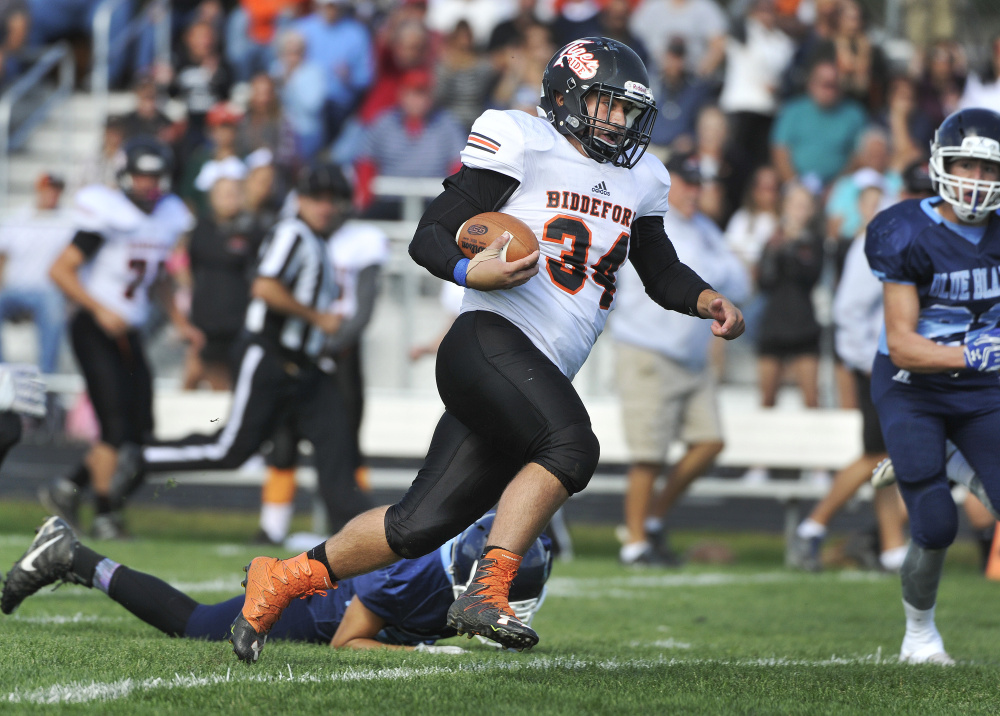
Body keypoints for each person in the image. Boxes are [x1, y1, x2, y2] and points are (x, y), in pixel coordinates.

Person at [226, 37, 744, 664]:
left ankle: (281, 578)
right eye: (606, 105)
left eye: (627, 111)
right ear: (567, 97)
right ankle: (487, 591)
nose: (618, 122)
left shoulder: (645, 178)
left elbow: (659, 269)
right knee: (572, 446)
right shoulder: (522, 139)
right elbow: (430, 235)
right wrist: (473, 274)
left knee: (415, 527)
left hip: (533, 369)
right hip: (488, 339)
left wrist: (707, 298)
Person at [111, 164, 370, 542]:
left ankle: (358, 539)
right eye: (318, 199)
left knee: (338, 448)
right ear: (300, 200)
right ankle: (144, 458)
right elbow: (265, 288)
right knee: (231, 450)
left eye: (334, 200)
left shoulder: (315, 238)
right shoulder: (292, 234)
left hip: (307, 367)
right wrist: (318, 318)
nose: (326, 207)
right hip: (270, 356)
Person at [0, 512, 551, 653]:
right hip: (308, 611)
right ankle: (75, 556)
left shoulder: (504, 550)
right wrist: (429, 653)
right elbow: (347, 641)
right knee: (194, 625)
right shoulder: (414, 576)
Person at [863, 107, 1000, 665]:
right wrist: (972, 352)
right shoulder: (904, 230)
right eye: (966, 166)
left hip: (982, 391)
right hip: (912, 386)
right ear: (940, 165)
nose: (976, 180)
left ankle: (956, 459)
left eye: (989, 170)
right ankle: (919, 636)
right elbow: (903, 344)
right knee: (937, 524)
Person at [39, 137, 198, 539]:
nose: (147, 184)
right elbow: (60, 271)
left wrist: (179, 320)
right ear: (126, 175)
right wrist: (98, 309)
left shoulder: (169, 216)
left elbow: (158, 276)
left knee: (141, 428)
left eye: (154, 176)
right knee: (114, 425)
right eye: (140, 175)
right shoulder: (108, 213)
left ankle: (68, 488)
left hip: (129, 329)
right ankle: (106, 512)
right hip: (94, 327)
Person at [611, 151, 749, 567]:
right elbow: (696, 274)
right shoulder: (650, 222)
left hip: (691, 356)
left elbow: (740, 279)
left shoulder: (704, 228)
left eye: (698, 183)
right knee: (648, 455)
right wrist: (717, 276)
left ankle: (652, 519)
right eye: (687, 182)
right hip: (646, 348)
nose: (694, 191)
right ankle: (634, 543)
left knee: (710, 442)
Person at [788, 175, 909, 573]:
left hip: (903, 364)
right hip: (881, 363)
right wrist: (869, 362)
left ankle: (892, 548)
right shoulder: (880, 238)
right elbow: (849, 310)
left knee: (888, 457)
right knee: (880, 453)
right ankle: (812, 526)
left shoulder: (912, 235)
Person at [0, 173, 74, 374]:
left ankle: (47, 379)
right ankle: (3, 374)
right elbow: (2, 257)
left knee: (53, 307)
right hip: (14, 290)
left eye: (56, 189)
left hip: (49, 291)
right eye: (48, 188)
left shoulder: (70, 221)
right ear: (39, 190)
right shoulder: (17, 218)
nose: (52, 194)